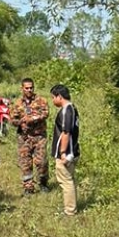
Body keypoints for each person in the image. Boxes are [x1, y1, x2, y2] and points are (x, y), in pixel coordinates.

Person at [8, 78, 50, 194]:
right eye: (27, 88)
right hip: (24, 137)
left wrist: (32, 119)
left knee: (41, 162)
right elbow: (12, 120)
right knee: (25, 163)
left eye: (31, 87)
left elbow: (45, 113)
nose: (29, 90)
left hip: (39, 136)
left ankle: (43, 183)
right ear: (22, 88)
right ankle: (28, 187)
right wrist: (21, 122)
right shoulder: (17, 103)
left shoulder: (41, 100)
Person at [50, 84, 80, 216]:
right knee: (70, 180)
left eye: (53, 97)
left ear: (59, 96)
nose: (52, 100)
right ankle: (71, 208)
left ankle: (70, 211)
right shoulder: (72, 109)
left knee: (66, 182)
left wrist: (62, 153)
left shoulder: (66, 110)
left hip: (67, 153)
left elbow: (66, 132)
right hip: (72, 151)